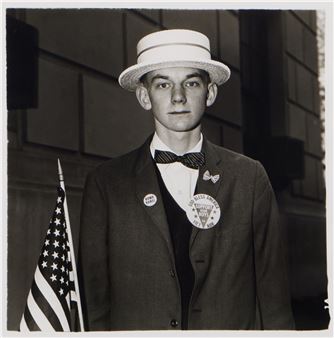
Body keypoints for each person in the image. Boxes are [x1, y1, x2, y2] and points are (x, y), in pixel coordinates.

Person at [78, 29, 295, 331]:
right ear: (144, 96)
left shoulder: (249, 178)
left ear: (210, 92)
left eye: (191, 83)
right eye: (163, 84)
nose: (178, 96)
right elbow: (94, 304)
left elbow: (275, 301)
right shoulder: (106, 184)